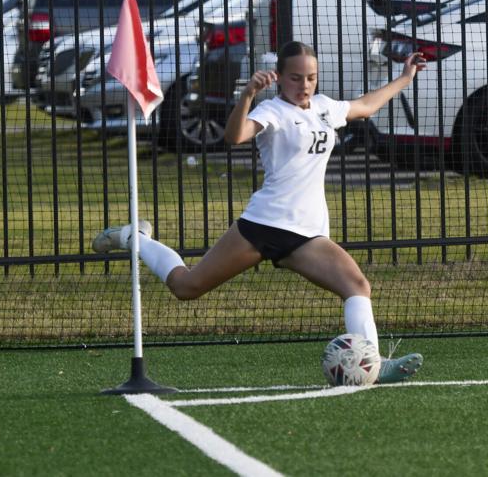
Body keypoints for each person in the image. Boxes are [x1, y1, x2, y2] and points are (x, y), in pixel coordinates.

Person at [93, 41, 426, 383]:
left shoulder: (326, 108)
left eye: (311, 77)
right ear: (279, 77)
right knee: (187, 287)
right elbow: (235, 135)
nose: (304, 85)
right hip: (263, 225)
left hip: (307, 234)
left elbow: (366, 106)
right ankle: (135, 236)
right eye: (295, 78)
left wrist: (405, 76)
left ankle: (374, 364)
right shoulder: (273, 111)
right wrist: (249, 94)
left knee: (357, 285)